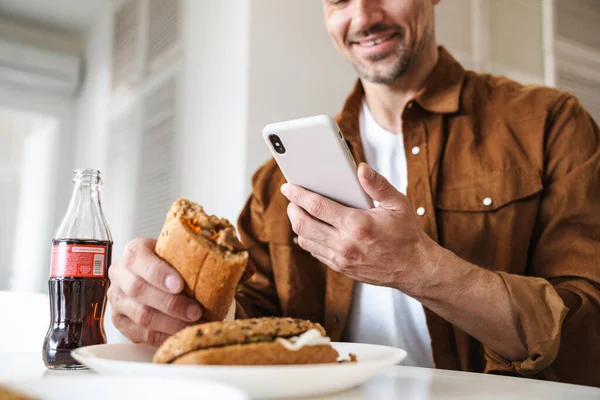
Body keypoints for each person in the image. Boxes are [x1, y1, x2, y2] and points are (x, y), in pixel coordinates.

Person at [107, 0, 600, 386]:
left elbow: (589, 328)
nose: (363, 16)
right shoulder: (275, 181)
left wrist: (419, 268)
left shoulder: (549, 124)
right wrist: (176, 308)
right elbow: (255, 317)